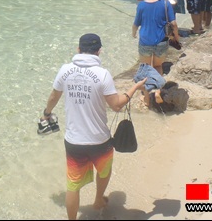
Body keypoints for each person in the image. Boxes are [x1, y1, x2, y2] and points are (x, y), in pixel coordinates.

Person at [40, 33, 146, 220]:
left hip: (74, 141)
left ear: (78, 49)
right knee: (104, 171)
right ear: (99, 51)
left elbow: (53, 97)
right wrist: (134, 88)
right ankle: (98, 200)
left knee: (73, 185)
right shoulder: (102, 74)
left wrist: (47, 113)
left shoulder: (64, 70)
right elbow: (116, 105)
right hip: (99, 140)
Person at [131, 0, 181, 100]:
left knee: (145, 68)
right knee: (158, 66)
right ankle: (159, 91)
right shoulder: (166, 4)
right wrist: (176, 37)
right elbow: (173, 24)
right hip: (161, 42)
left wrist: (133, 34)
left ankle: (147, 96)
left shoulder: (142, 5)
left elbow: (136, 24)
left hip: (145, 42)